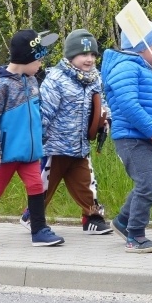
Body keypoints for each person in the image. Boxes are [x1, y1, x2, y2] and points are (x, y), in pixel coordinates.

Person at [0, 29, 65, 247]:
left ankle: (39, 230)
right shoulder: (1, 85)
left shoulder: (32, 81)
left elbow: (36, 114)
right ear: (25, 59)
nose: (40, 64)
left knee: (36, 185)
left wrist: (41, 137)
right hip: (6, 152)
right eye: (38, 59)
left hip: (30, 151)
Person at [101, 21, 152, 253]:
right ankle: (135, 234)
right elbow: (128, 104)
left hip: (144, 136)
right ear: (144, 46)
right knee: (147, 184)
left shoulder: (142, 69)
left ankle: (123, 220)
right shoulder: (126, 68)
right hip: (132, 137)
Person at [32, 28, 112, 235]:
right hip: (54, 146)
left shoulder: (95, 78)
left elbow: (100, 103)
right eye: (84, 54)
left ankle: (92, 218)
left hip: (79, 146)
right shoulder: (56, 79)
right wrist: (36, 139)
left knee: (86, 183)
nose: (89, 59)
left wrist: (105, 118)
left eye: (93, 54)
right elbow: (45, 112)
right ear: (70, 55)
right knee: (43, 185)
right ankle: (32, 216)